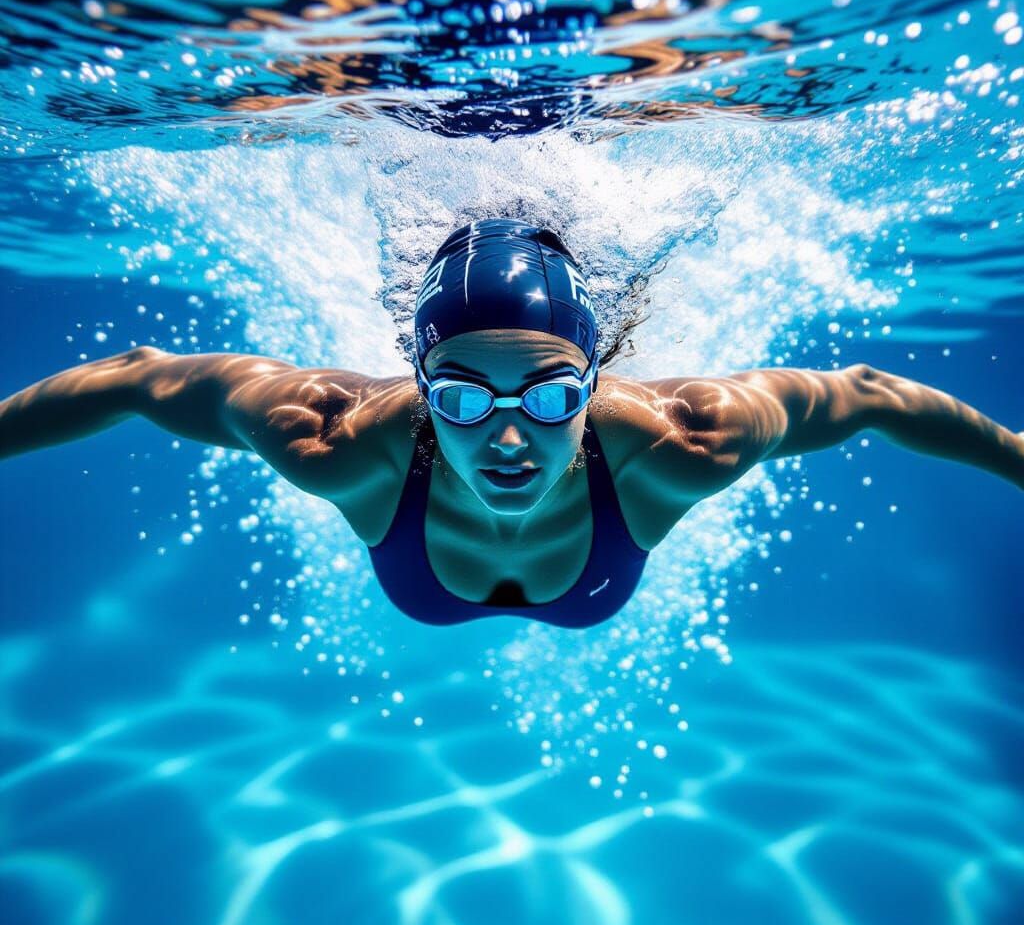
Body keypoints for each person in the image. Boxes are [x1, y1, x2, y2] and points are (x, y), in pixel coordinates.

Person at [1, 218, 1021, 627]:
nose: (504, 438)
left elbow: (873, 394)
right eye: (458, 398)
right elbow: (140, 375)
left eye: (546, 398)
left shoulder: (685, 442)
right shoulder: (335, 439)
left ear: (592, 378)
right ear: (419, 383)